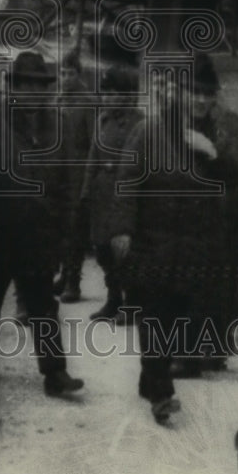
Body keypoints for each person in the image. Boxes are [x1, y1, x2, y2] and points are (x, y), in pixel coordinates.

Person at [110, 53, 238, 424]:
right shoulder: (150, 130)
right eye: (194, 92)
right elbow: (127, 180)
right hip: (154, 241)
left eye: (207, 94)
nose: (201, 100)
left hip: (196, 246)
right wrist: (121, 228)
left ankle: (149, 377)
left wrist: (212, 153)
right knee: (155, 316)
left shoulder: (221, 131)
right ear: (180, 93)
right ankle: (161, 392)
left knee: (172, 319)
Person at [0, 51, 84, 398]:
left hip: (38, 235)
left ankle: (55, 373)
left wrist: (63, 235)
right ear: (12, 88)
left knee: (42, 304)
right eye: (24, 86)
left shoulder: (57, 127)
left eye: (38, 87)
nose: (31, 94)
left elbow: (65, 186)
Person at [80, 65, 141, 323]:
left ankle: (132, 304)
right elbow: (93, 157)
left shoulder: (138, 122)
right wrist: (85, 191)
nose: (107, 98)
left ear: (127, 95)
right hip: (101, 195)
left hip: (122, 193)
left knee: (125, 254)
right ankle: (113, 299)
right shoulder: (102, 120)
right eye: (105, 92)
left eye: (113, 93)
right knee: (103, 251)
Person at [54, 50, 94, 303]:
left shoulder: (88, 101)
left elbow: (93, 143)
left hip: (78, 173)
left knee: (75, 229)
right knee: (60, 228)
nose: (66, 78)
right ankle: (63, 274)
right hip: (58, 173)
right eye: (63, 73)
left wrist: (88, 180)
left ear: (79, 75)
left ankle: (73, 281)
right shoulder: (56, 99)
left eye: (71, 73)